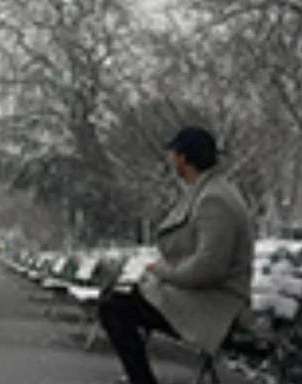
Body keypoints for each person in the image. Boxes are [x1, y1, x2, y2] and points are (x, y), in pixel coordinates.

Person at [98, 126, 254, 384]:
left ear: (182, 158)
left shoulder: (213, 199)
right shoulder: (209, 191)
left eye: (173, 155)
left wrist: (162, 272)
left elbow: (209, 268)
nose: (171, 161)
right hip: (202, 299)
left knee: (115, 308)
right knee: (117, 301)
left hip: (214, 307)